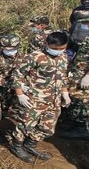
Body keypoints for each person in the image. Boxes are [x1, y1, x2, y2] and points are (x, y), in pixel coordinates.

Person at [8, 31, 70, 162]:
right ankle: (16, 145)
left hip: (54, 100)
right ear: (47, 44)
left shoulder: (63, 57)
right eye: (54, 48)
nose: (58, 51)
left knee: (47, 128)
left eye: (62, 48)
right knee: (26, 124)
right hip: (34, 99)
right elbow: (17, 75)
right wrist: (20, 94)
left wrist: (65, 92)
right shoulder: (35, 57)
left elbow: (63, 76)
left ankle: (30, 144)